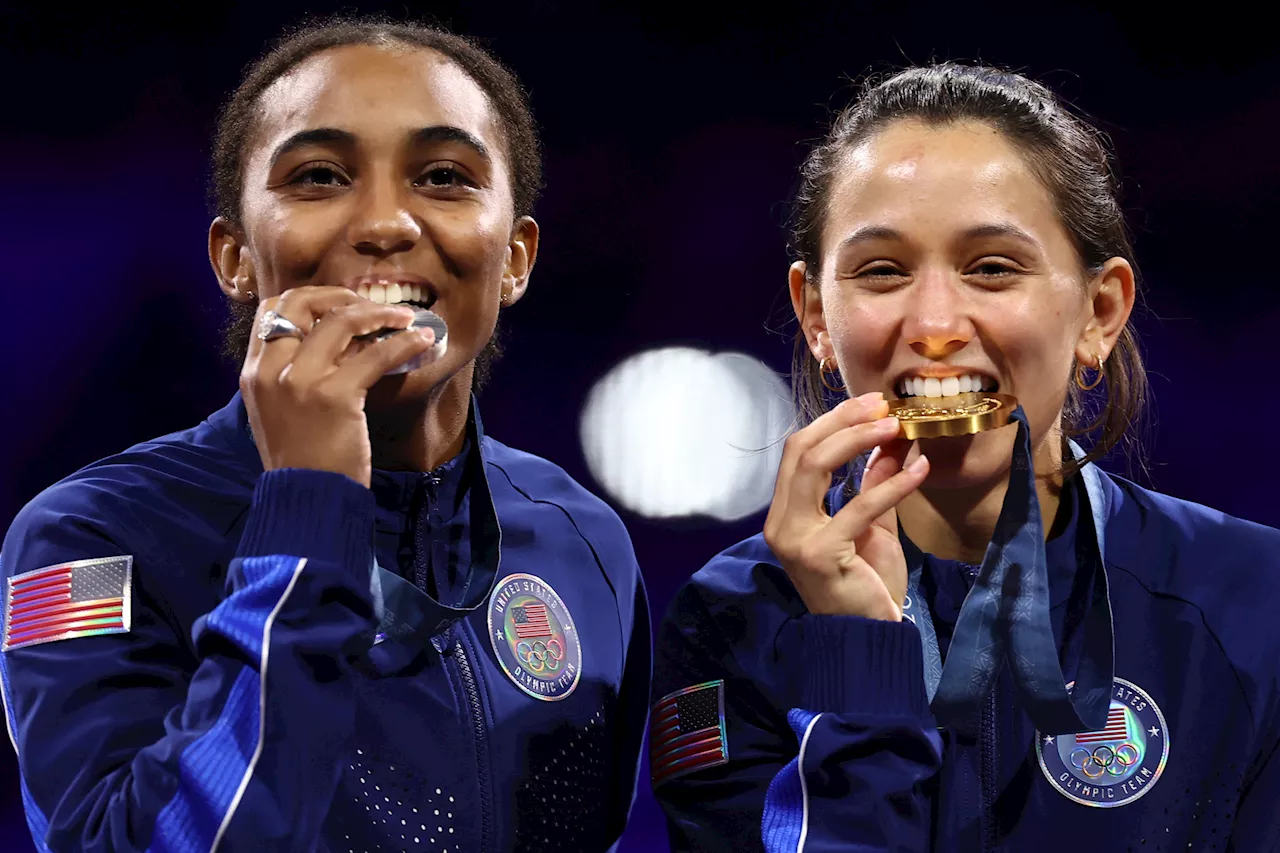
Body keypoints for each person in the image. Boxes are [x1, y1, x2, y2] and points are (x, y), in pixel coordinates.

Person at [0, 17, 650, 853]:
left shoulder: (583, 539)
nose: (385, 223)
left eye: (445, 176)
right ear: (234, 259)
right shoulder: (91, 537)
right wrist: (309, 509)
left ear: (517, 257)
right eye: (319, 176)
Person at [651, 63, 1280, 851]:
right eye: (882, 270)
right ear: (816, 315)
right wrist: (860, 663)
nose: (937, 323)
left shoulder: (1254, 601)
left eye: (992, 267)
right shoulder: (731, 621)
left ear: (1101, 310)